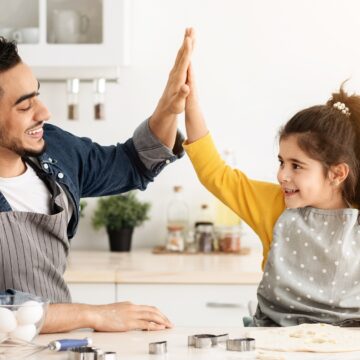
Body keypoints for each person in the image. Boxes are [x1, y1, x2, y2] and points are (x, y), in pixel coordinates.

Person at [0, 28, 195, 333]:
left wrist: (167, 109)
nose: (44, 112)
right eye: (25, 106)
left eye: (36, 95)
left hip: (57, 348)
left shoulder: (56, 152)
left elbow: (133, 162)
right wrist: (92, 315)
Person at [184, 58, 360, 326]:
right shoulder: (275, 205)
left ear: (337, 173)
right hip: (275, 346)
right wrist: (190, 103)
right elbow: (215, 174)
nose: (282, 175)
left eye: (296, 166)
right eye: (281, 162)